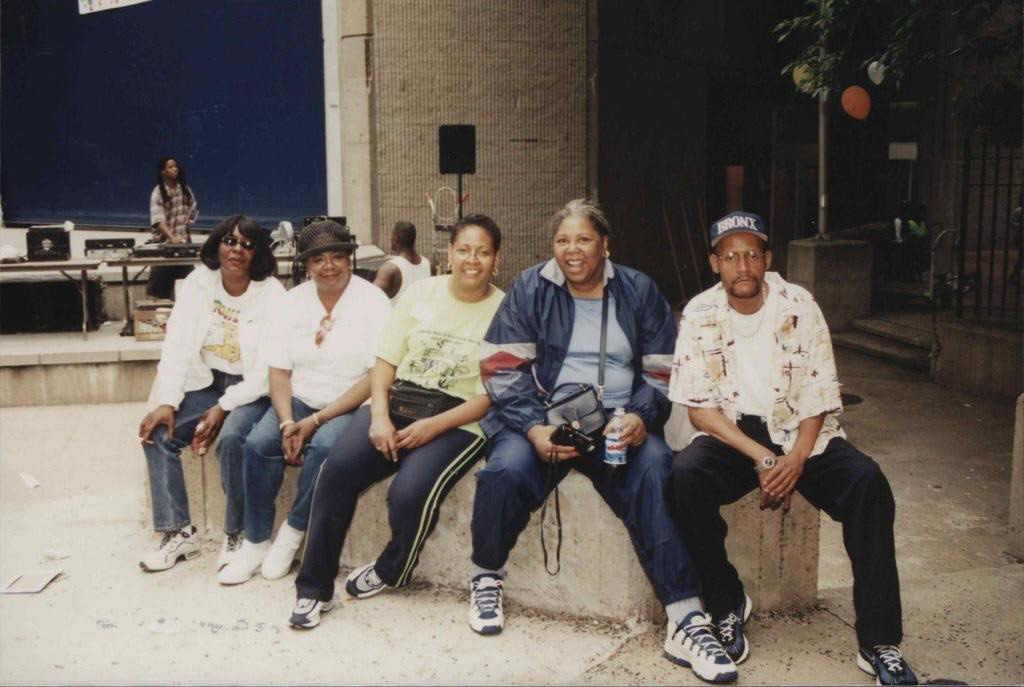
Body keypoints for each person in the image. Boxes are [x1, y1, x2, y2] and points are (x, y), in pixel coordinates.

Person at [471, 199, 737, 683]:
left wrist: (639, 416)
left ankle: (686, 617)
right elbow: (501, 366)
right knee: (504, 471)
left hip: (618, 423)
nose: (572, 250)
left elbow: (662, 370)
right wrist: (534, 428)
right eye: (562, 241)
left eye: (584, 239)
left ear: (605, 245)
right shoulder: (532, 286)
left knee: (657, 470)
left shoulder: (638, 290)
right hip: (544, 418)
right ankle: (486, 574)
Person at [665, 211, 918, 685]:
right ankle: (725, 602)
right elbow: (700, 411)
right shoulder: (699, 313)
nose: (743, 265)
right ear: (715, 263)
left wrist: (795, 460)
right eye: (731, 256)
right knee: (684, 479)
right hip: (734, 437)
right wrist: (761, 459)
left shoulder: (799, 303)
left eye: (752, 254)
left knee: (868, 484)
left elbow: (820, 394)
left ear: (767, 259)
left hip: (801, 434)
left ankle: (879, 639)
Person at [288, 213, 505, 630]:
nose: (471, 260)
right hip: (399, 399)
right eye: (463, 250)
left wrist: (432, 427)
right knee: (335, 473)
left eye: (482, 252)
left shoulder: (505, 309)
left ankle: (392, 568)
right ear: (449, 252)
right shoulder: (422, 291)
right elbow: (385, 359)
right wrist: (380, 417)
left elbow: (488, 395)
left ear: (496, 257)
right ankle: (313, 590)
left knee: (408, 494)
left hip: (459, 417)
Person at [217, 221, 391, 585]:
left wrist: (316, 421)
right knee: (258, 444)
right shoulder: (293, 301)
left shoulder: (373, 300)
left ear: (350, 259)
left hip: (350, 403)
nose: (328, 267)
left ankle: (292, 533)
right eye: (318, 260)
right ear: (306, 266)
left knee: (326, 450)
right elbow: (279, 370)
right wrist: (285, 423)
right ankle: (255, 541)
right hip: (298, 399)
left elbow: (376, 375)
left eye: (338, 257)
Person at [138, 215, 284, 573]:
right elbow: (178, 345)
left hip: (252, 389)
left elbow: (269, 370)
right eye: (229, 241)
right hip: (205, 382)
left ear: (259, 253)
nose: (237, 251)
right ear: (217, 244)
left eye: (248, 245)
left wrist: (224, 407)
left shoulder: (272, 294)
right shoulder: (198, 283)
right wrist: (168, 402)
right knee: (158, 434)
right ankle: (178, 531)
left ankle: (235, 533)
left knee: (232, 439)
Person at [147, 156, 199, 300]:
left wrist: (185, 224)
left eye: (175, 166)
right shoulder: (158, 192)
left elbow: (193, 209)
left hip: (183, 246)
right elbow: (158, 220)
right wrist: (171, 237)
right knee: (157, 291)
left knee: (189, 287)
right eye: (170, 167)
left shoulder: (185, 190)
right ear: (163, 171)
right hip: (165, 247)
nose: (174, 169)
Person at [373, 220, 431, 301]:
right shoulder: (427, 264)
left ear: (395, 239)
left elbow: (370, 297)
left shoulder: (390, 269)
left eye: (391, 237)